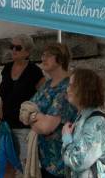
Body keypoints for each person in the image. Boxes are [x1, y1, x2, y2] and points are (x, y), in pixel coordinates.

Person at [27, 42, 78, 178]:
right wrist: (37, 117)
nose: (43, 58)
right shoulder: (47, 85)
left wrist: (33, 117)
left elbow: (45, 127)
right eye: (43, 54)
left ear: (60, 59)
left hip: (61, 164)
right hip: (45, 160)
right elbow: (25, 111)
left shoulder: (66, 89)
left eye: (48, 55)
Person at [0, 34, 44, 178]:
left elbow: (44, 97)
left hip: (25, 128)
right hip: (6, 126)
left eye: (18, 48)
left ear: (27, 52)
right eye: (12, 47)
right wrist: (0, 117)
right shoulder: (7, 68)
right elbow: (3, 96)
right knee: (6, 167)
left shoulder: (34, 71)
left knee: (28, 168)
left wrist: (35, 118)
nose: (13, 50)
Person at [61, 68, 105, 178]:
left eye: (72, 86)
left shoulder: (96, 124)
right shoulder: (83, 117)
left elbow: (78, 162)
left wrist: (66, 138)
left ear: (84, 89)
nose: (67, 89)